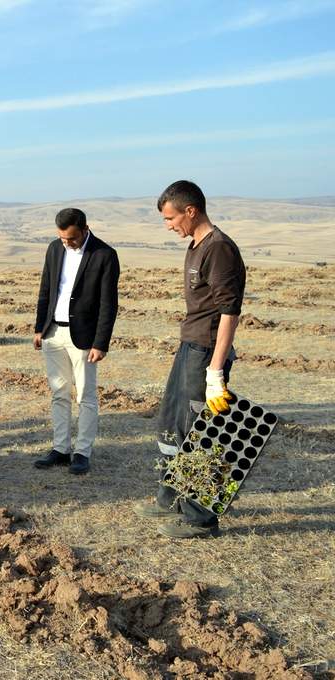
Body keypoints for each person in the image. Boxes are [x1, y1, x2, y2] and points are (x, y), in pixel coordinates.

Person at [135, 180, 245, 539]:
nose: (168, 226)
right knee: (172, 424)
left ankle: (202, 518)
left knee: (203, 433)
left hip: (206, 353)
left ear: (190, 211)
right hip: (189, 346)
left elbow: (229, 312)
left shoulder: (220, 249)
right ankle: (171, 497)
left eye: (170, 218)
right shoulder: (196, 245)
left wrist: (215, 370)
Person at [32, 208, 120, 475]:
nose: (66, 243)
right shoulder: (54, 249)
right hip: (53, 334)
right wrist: (39, 327)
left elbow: (108, 304)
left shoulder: (105, 255)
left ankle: (82, 452)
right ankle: (60, 449)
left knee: (86, 396)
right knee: (59, 393)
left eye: (71, 238)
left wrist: (100, 343)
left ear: (84, 229)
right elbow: (46, 289)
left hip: (84, 338)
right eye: (62, 238)